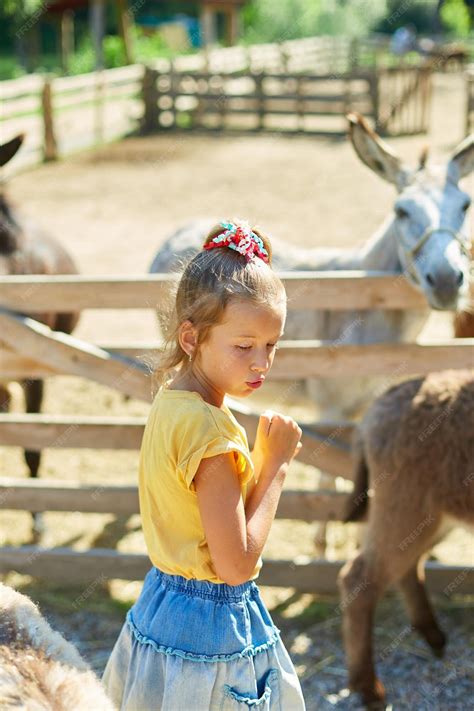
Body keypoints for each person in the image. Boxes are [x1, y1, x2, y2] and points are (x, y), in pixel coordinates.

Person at [102, 220, 306, 710]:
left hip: (161, 604)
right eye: (244, 346)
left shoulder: (171, 404)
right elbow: (236, 566)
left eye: (271, 345)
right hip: (210, 629)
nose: (262, 363)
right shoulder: (211, 435)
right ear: (191, 338)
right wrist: (275, 464)